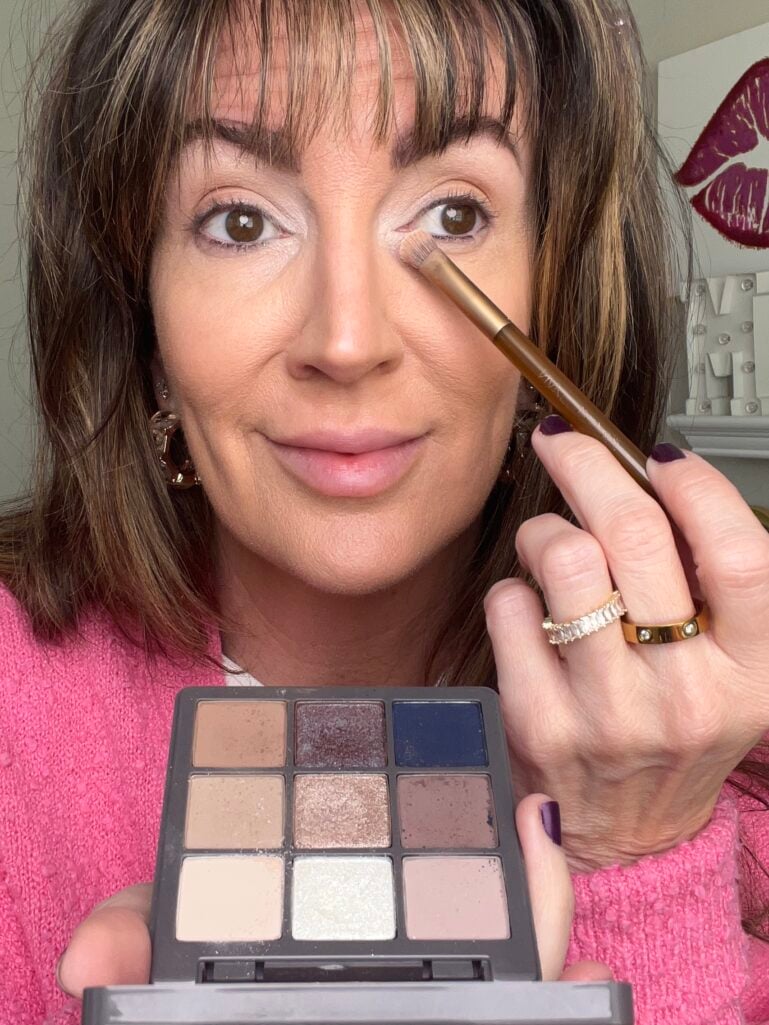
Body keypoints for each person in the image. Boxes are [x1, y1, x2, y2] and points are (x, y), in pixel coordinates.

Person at [1, 0, 768, 1022]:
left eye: (453, 214)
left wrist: (635, 850)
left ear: (559, 291)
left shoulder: (719, 750)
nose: (347, 341)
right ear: (144, 326)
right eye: (240, 221)